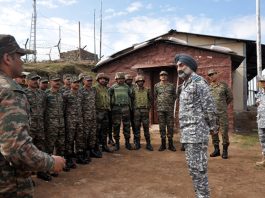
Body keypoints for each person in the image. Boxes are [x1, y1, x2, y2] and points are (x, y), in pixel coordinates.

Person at [0, 34, 65, 197]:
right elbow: (16, 149)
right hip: (9, 185)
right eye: (19, 56)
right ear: (7, 58)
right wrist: (50, 162)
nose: (22, 61)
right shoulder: (9, 90)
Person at [176, 53, 217, 198]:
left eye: (181, 65)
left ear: (190, 67)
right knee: (193, 169)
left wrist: (213, 128)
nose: (178, 69)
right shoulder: (185, 85)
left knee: (199, 170)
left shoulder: (199, 83)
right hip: (188, 134)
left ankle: (203, 196)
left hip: (197, 134)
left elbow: (210, 108)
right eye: (177, 66)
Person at [24, 72, 53, 181]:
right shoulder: (24, 93)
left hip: (40, 125)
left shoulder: (42, 94)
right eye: (33, 79)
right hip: (29, 126)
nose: (35, 81)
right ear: (27, 81)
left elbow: (44, 108)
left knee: (41, 148)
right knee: (27, 150)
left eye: (36, 79)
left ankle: (42, 172)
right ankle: (27, 176)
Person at [45, 74, 69, 172]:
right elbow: (43, 109)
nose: (57, 82)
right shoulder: (46, 94)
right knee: (50, 146)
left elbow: (63, 108)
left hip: (61, 123)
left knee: (61, 145)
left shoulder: (61, 94)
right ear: (50, 82)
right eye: (55, 81)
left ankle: (60, 164)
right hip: (51, 124)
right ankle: (50, 167)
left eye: (58, 81)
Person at [208, 69, 233, 159]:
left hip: (222, 113)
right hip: (212, 114)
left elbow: (230, 97)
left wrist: (223, 105)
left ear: (217, 74)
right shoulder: (208, 87)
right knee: (214, 132)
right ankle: (216, 150)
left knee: (224, 132)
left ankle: (225, 150)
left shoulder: (224, 86)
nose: (211, 76)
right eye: (209, 75)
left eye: (212, 74)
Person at [63, 76, 88, 164]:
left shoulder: (81, 94)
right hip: (70, 121)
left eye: (78, 83)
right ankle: (68, 157)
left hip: (80, 120)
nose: (77, 84)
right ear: (71, 84)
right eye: (75, 82)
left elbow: (82, 107)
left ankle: (79, 156)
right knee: (69, 139)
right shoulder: (66, 95)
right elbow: (63, 109)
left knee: (79, 138)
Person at [109, 72, 134, 151]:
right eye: (119, 79)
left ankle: (127, 143)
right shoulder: (113, 87)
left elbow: (131, 96)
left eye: (122, 79)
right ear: (116, 79)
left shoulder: (127, 87)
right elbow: (109, 97)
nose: (121, 80)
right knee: (116, 126)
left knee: (127, 125)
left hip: (126, 108)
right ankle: (117, 144)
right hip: (116, 108)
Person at [154, 70, 176, 151]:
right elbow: (155, 96)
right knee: (162, 127)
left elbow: (175, 96)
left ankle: (170, 144)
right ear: (160, 77)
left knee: (170, 127)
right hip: (160, 110)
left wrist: (169, 103)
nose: (163, 76)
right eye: (161, 75)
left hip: (169, 109)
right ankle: (163, 144)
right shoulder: (156, 86)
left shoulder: (172, 86)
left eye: (165, 75)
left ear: (167, 76)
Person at [80, 75, 100, 159]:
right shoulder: (80, 91)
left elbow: (95, 102)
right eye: (88, 80)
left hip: (93, 116)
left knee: (92, 134)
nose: (90, 82)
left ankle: (91, 150)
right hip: (85, 117)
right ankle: (84, 151)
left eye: (91, 80)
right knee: (85, 135)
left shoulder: (93, 90)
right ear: (83, 81)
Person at [94, 73, 113, 154]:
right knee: (97, 130)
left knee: (105, 130)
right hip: (98, 112)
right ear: (98, 79)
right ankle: (97, 147)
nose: (103, 80)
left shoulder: (107, 89)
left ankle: (104, 146)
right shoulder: (94, 88)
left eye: (105, 79)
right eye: (101, 79)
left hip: (106, 112)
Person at [133, 75, 153, 151]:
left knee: (146, 128)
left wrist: (148, 108)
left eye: (141, 81)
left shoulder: (147, 90)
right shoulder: (133, 90)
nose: (140, 82)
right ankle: (137, 144)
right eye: (139, 81)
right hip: (137, 111)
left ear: (143, 82)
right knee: (137, 128)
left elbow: (150, 100)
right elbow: (132, 100)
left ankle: (148, 144)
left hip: (145, 111)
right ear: (136, 82)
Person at [125, 74, 137, 147]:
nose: (129, 81)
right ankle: (127, 141)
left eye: (130, 80)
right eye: (127, 80)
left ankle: (135, 140)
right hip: (126, 109)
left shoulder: (135, 86)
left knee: (135, 125)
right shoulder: (123, 87)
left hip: (134, 108)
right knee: (126, 125)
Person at [256, 76, 265, 166]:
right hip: (261, 120)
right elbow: (258, 103)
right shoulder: (259, 93)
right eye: (261, 82)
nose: (263, 83)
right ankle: (264, 159)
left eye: (264, 81)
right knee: (262, 140)